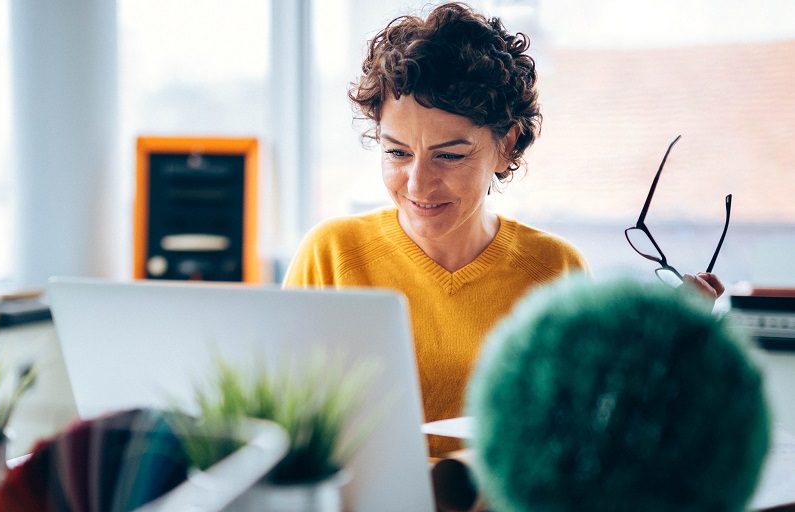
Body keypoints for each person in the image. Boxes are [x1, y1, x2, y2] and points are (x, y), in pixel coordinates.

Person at [282, 2, 723, 458]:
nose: (418, 183)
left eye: (449, 155)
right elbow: (281, 427)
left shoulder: (554, 270)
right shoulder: (331, 255)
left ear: (507, 145)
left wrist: (672, 341)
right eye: (396, 153)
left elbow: (588, 433)